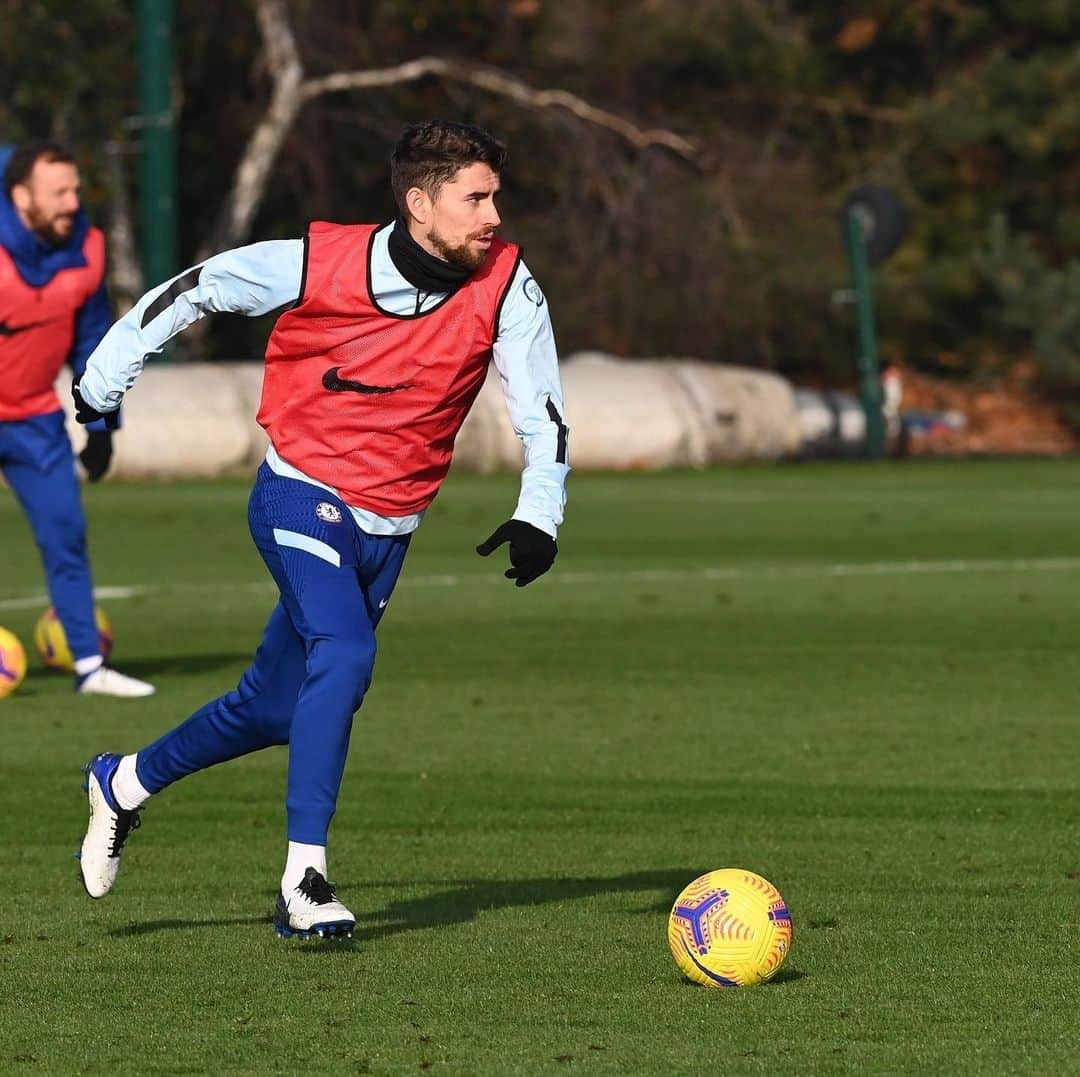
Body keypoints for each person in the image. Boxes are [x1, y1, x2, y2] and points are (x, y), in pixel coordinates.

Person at [74, 120, 570, 939]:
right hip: (300, 491)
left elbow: (541, 409)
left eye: (496, 196)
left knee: (272, 708)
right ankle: (304, 877)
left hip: (390, 524)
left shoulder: (509, 285)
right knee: (345, 653)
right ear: (420, 203)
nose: (494, 213)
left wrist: (537, 512)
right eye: (474, 197)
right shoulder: (320, 260)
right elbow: (195, 287)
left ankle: (123, 781)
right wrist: (103, 379)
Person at [0, 141, 154, 698]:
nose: (71, 202)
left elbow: (92, 341)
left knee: (66, 534)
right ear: (20, 197)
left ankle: (90, 668)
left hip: (33, 419)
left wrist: (100, 426)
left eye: (74, 189)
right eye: (57, 192)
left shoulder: (87, 248)